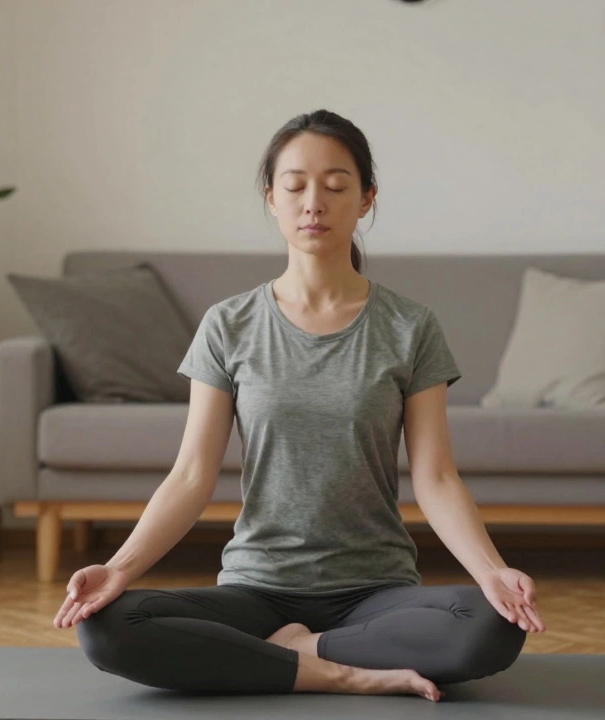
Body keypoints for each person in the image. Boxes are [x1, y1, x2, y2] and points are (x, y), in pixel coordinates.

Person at [55, 109, 542, 703]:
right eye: (295, 186)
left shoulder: (410, 327)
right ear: (272, 199)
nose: (315, 202)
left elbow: (436, 476)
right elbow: (190, 474)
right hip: (256, 590)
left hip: (375, 591)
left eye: (336, 186)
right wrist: (119, 568)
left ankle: (296, 653)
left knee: (490, 623)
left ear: (365, 200)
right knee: (107, 627)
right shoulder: (228, 326)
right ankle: (336, 670)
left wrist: (491, 571)